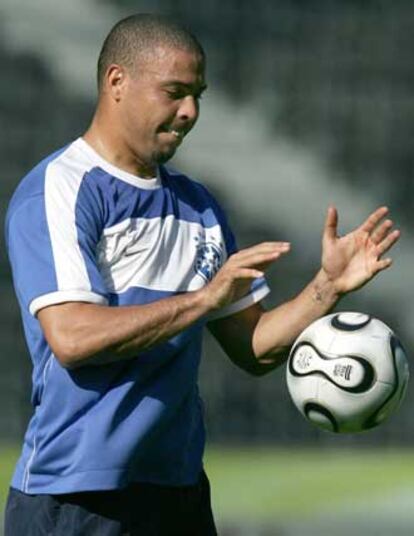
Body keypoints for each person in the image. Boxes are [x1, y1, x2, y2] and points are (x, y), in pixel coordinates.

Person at [4, 13, 400, 536]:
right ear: (116, 82)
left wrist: (327, 286)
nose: (190, 111)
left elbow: (253, 348)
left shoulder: (199, 207)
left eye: (198, 95)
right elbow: (73, 337)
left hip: (178, 492)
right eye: (175, 91)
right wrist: (202, 300)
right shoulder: (61, 189)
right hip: (77, 496)